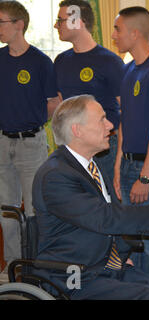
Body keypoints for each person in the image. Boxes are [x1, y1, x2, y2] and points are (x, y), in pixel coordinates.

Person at [32, 94, 149, 300]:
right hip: (73, 275)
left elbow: (108, 218)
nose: (110, 125)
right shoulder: (55, 175)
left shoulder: (89, 165)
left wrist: (122, 254)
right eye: (102, 119)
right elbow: (104, 217)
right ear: (77, 131)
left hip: (103, 266)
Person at [112, 6, 149, 281]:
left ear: (135, 33)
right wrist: (117, 168)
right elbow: (124, 122)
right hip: (127, 165)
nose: (114, 35)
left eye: (118, 29)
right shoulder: (127, 70)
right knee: (130, 241)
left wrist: (145, 178)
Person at [0, 1, 59, 275]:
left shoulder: (40, 61)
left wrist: (33, 125)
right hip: (2, 143)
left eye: (2, 22)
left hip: (31, 143)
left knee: (36, 211)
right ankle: (12, 268)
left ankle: (37, 268)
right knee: (7, 213)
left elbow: (53, 103)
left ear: (18, 24)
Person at [53, 0, 124, 182]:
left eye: (60, 20)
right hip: (72, 149)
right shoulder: (60, 61)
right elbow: (62, 107)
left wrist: (119, 160)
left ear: (78, 21)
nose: (56, 25)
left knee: (108, 203)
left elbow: (126, 111)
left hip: (105, 148)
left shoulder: (110, 61)